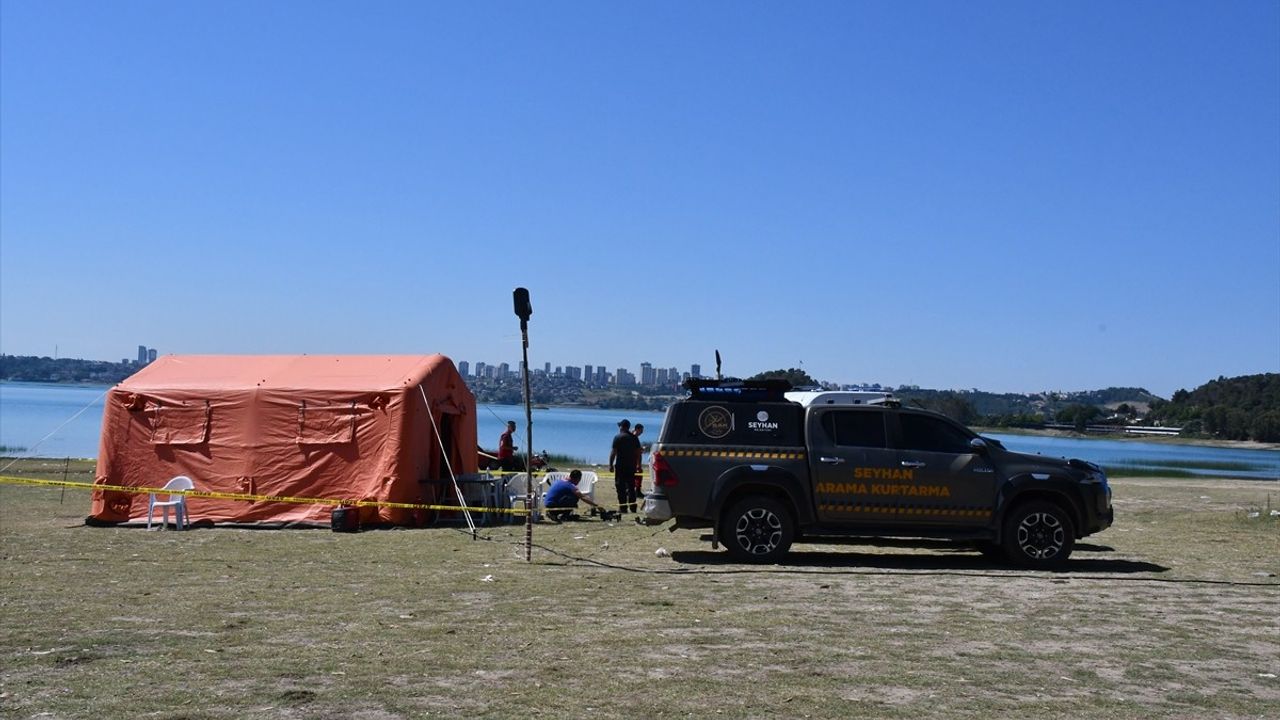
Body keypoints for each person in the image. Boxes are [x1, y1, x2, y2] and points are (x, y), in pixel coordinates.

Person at [609, 418, 642, 514]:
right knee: (631, 487)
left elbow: (613, 452)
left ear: (622, 427)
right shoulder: (634, 438)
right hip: (631, 466)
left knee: (620, 487)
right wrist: (639, 465)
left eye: (619, 426)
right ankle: (633, 507)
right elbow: (638, 453)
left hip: (620, 466)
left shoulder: (618, 437)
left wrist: (611, 464)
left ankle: (623, 508)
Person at [632, 423, 647, 497]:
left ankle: (635, 490)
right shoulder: (634, 437)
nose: (642, 432)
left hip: (635, 460)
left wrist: (641, 449)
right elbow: (635, 450)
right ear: (637, 429)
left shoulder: (634, 437)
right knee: (638, 475)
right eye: (641, 430)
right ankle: (637, 491)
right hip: (634, 461)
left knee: (636, 475)